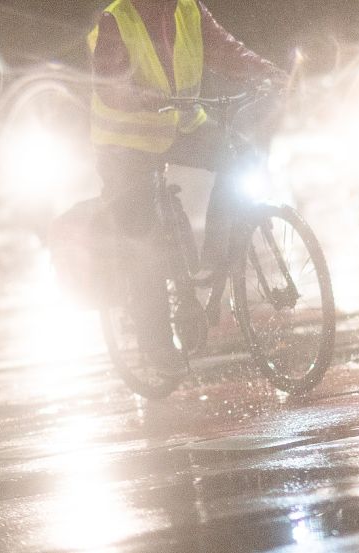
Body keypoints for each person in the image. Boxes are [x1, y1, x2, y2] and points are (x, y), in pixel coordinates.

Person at [88, 0, 285, 373]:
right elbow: (109, 84)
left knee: (242, 156)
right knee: (143, 240)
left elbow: (223, 48)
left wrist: (264, 70)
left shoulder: (188, 9)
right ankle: (157, 345)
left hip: (180, 125)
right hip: (125, 143)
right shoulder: (118, 18)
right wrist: (137, 96)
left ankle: (215, 257)